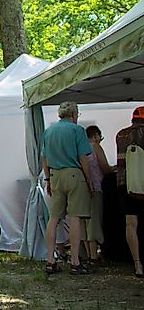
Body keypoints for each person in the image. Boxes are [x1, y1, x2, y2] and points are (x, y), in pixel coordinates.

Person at [42, 101, 95, 275]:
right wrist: (89, 180)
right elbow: (83, 158)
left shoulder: (48, 131)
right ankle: (75, 261)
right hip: (74, 175)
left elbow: (44, 158)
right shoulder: (77, 130)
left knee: (54, 218)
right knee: (74, 218)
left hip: (55, 175)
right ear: (73, 114)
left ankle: (50, 260)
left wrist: (48, 178)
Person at [116, 106, 144, 278]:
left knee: (130, 224)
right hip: (143, 183)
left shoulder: (120, 134)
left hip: (124, 183)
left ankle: (137, 264)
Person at [83, 125, 114, 263]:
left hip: (82, 188)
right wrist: (115, 167)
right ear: (95, 135)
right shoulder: (95, 147)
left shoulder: (80, 148)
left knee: (84, 221)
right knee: (94, 221)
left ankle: (87, 254)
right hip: (95, 187)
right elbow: (104, 167)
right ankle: (94, 256)